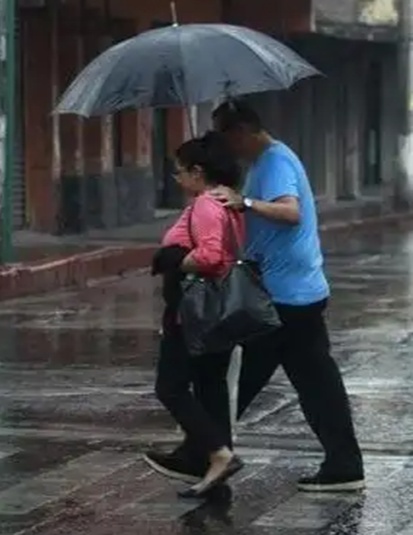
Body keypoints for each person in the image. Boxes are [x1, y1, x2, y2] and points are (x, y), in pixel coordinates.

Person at [209, 100, 365, 492]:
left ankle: (206, 450)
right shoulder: (266, 163)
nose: (227, 150)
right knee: (316, 383)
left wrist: (243, 202)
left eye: (226, 140)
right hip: (296, 293)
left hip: (285, 298)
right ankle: (344, 465)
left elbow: (289, 212)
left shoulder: (275, 161)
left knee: (236, 376)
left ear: (241, 131)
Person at [144, 132, 244, 498]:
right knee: (210, 385)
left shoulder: (206, 204)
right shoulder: (228, 205)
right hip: (221, 310)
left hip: (193, 312)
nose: (176, 178)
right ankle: (209, 460)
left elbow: (212, 256)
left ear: (198, 172)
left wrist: (172, 260)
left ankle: (218, 453)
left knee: (170, 387)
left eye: (180, 171)